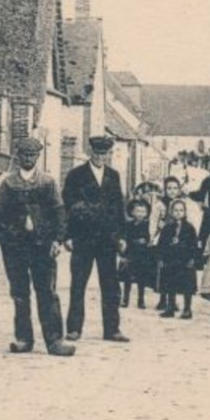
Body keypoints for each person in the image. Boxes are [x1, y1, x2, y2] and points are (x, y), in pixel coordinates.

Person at [0, 136, 73, 357]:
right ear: (18, 156)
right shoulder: (8, 183)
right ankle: (23, 339)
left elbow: (59, 213)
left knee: (47, 292)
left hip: (42, 246)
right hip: (14, 245)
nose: (28, 158)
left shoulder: (48, 183)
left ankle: (54, 341)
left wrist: (58, 240)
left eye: (32, 155)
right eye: (24, 155)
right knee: (20, 293)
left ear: (38, 157)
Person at [62, 134, 128, 343]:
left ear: (109, 154)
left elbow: (119, 208)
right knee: (78, 284)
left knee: (110, 285)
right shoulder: (76, 175)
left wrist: (122, 236)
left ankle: (112, 329)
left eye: (105, 153)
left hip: (107, 240)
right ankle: (74, 329)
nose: (101, 157)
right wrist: (67, 236)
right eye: (98, 153)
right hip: (83, 238)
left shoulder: (114, 176)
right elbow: (67, 207)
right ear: (91, 152)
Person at [154, 198, 199, 319]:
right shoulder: (167, 228)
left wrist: (192, 259)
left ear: (185, 212)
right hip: (171, 260)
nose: (178, 213)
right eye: (175, 210)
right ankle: (170, 306)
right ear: (171, 212)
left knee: (187, 285)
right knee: (170, 283)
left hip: (184, 260)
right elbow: (161, 244)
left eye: (181, 210)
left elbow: (193, 245)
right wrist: (161, 258)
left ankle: (187, 308)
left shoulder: (189, 228)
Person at [118, 198, 156, 310]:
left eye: (143, 212)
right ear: (132, 212)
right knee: (127, 278)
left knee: (141, 278)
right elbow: (125, 238)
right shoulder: (128, 225)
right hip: (131, 252)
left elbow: (150, 237)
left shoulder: (148, 225)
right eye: (138, 211)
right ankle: (125, 299)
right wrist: (123, 254)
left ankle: (141, 300)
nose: (140, 214)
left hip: (143, 254)